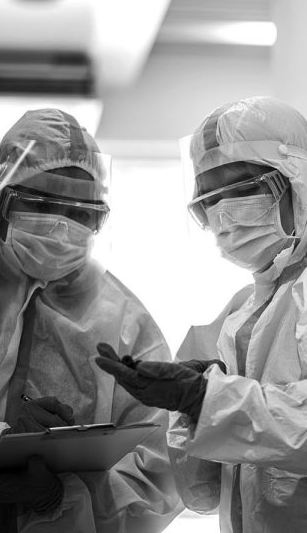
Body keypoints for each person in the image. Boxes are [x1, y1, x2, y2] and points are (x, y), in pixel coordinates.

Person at [0, 108, 181, 532]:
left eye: (82, 214)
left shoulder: (126, 327)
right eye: (41, 205)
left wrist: (60, 494)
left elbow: (161, 472)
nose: (62, 228)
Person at [96, 96, 307, 533]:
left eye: (243, 189)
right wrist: (196, 403)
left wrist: (204, 398)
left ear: (299, 181)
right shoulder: (246, 310)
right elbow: (210, 490)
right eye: (211, 198)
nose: (224, 214)